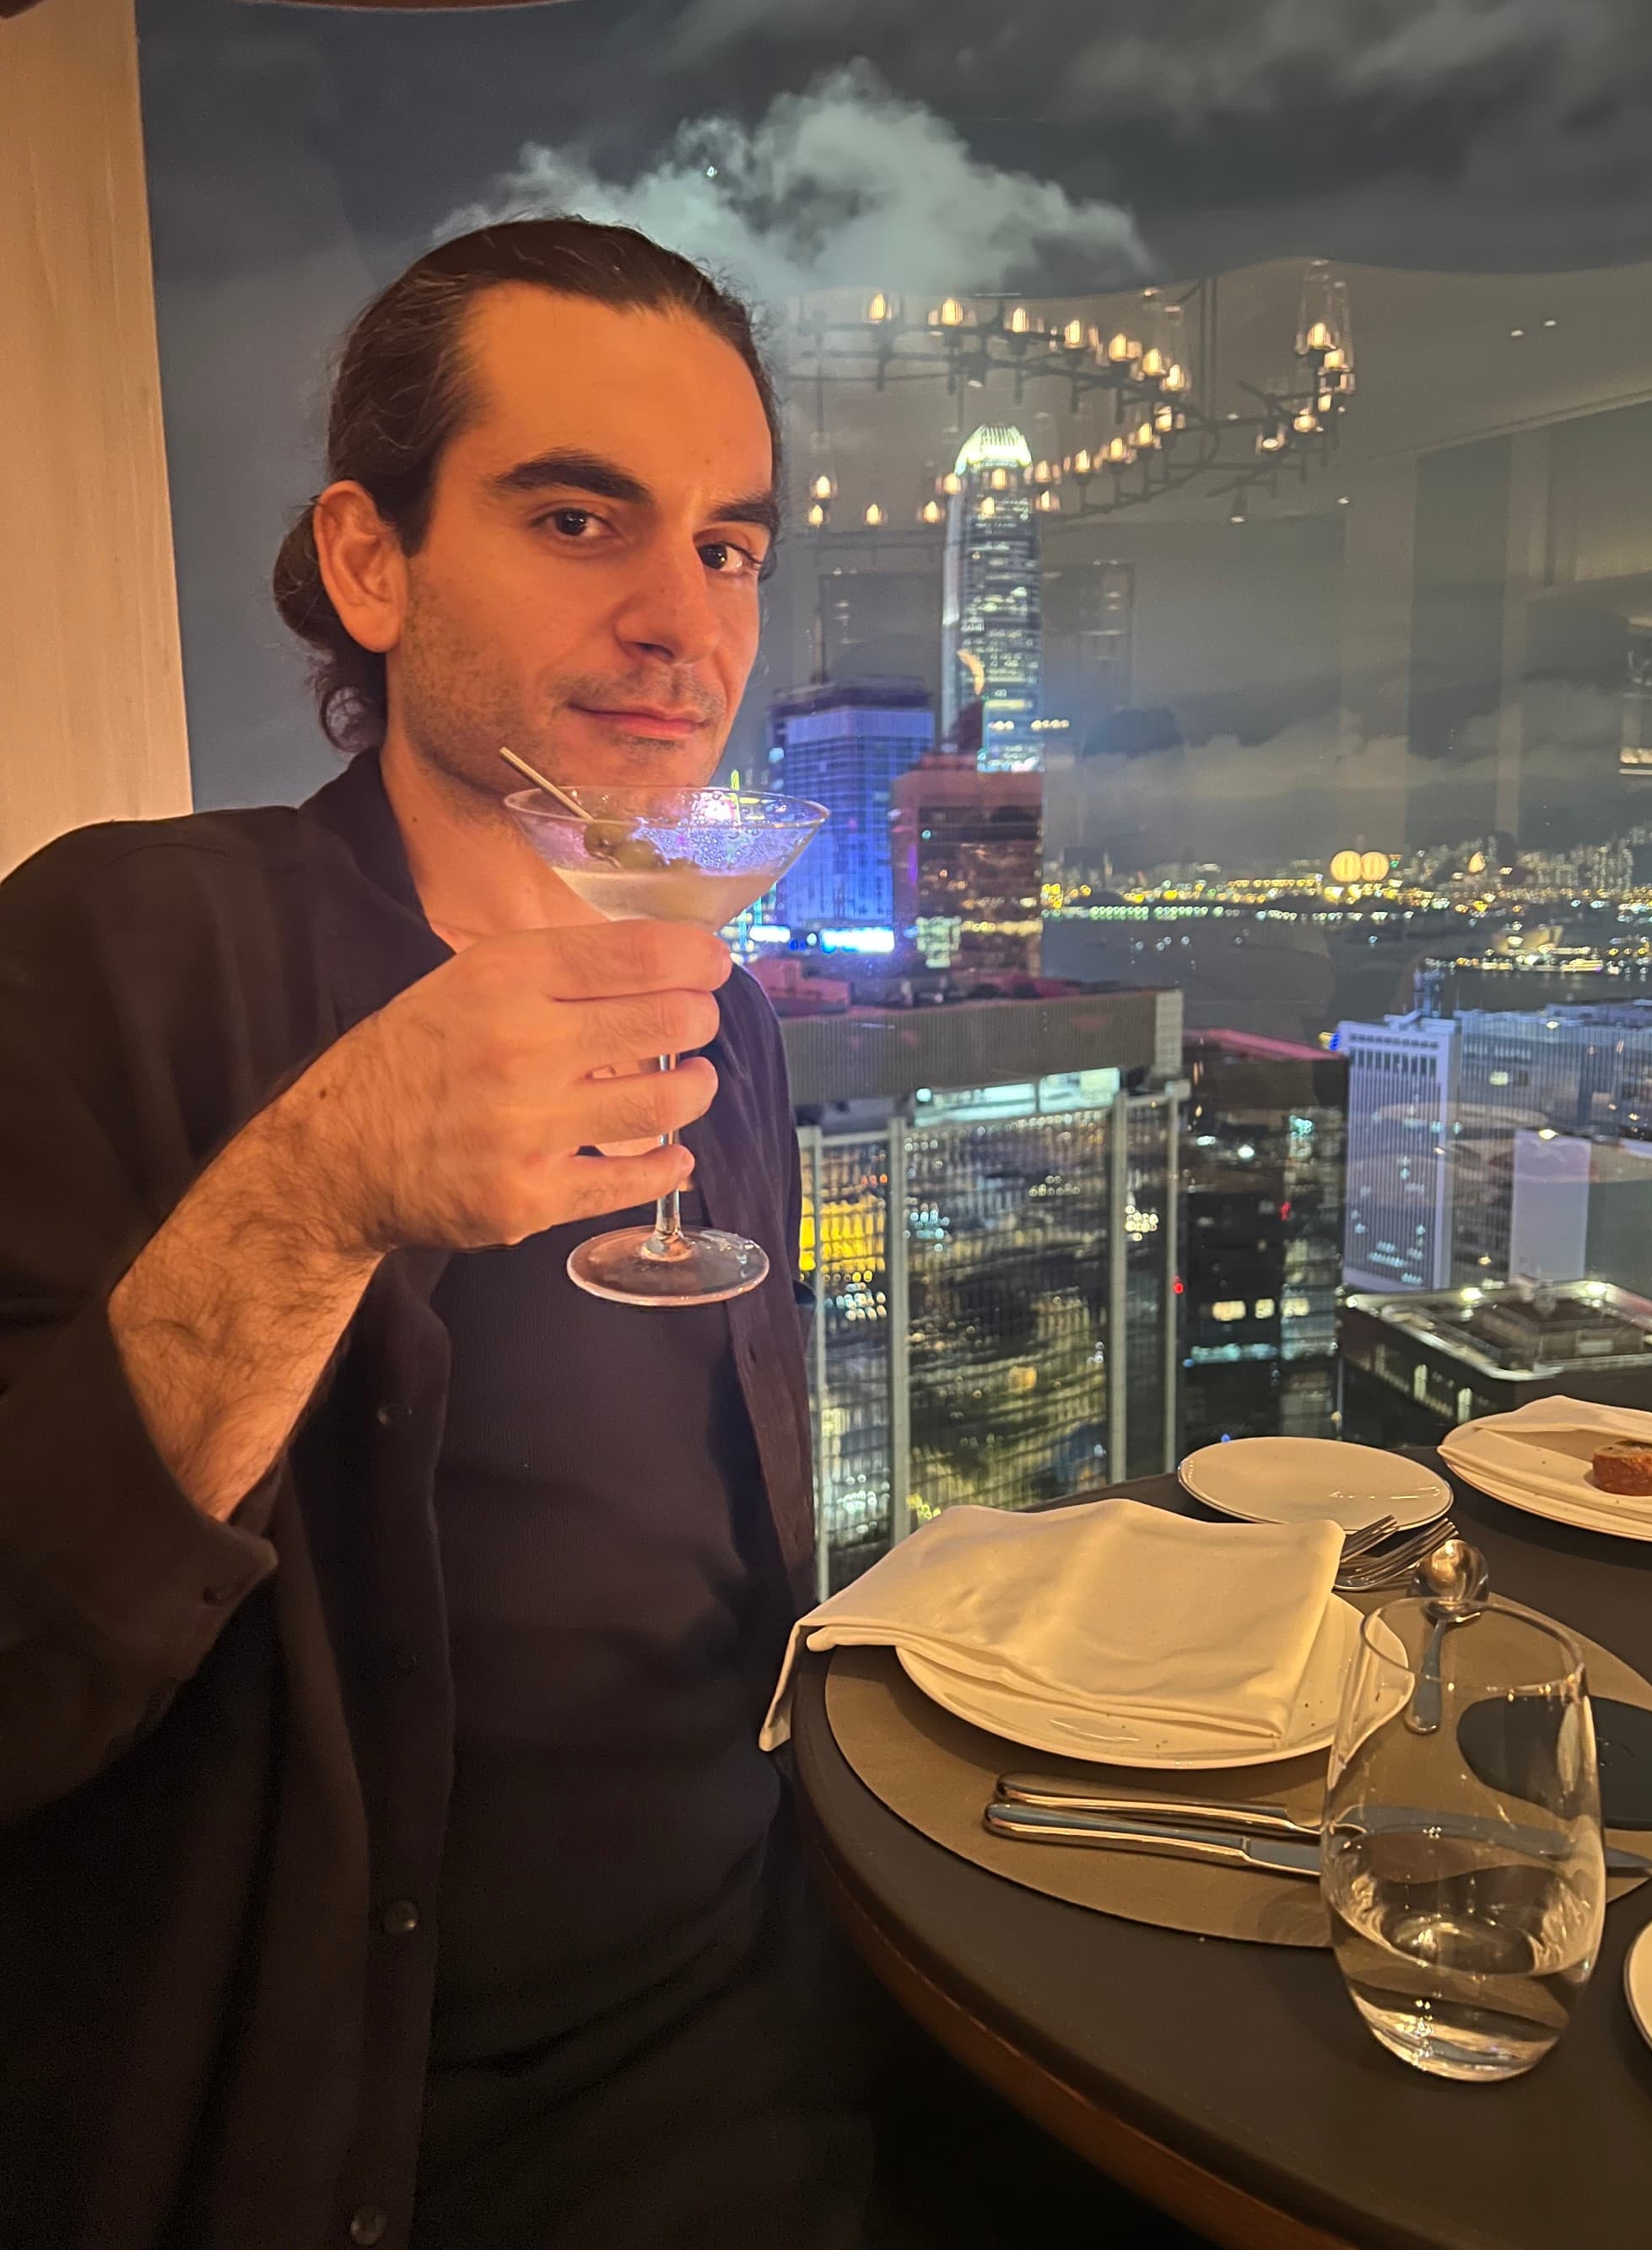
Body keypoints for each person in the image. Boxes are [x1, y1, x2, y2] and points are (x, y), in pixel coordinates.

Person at [0, 217, 885, 2250]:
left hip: (797, 1997)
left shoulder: (716, 1004)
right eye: (582, 518)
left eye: (731, 544)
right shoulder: (114, 953)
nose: (688, 618)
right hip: (373, 2136)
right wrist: (316, 1184)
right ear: (370, 562)